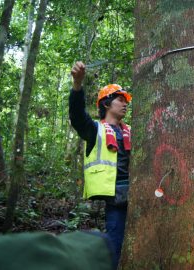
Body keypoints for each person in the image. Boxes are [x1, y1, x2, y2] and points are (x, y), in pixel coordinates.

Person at [69, 61, 132, 268]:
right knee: (114, 245)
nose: (125, 104)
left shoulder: (131, 130)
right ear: (106, 104)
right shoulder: (94, 130)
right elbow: (78, 118)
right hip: (115, 199)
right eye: (120, 100)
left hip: (138, 194)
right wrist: (77, 85)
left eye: (126, 101)